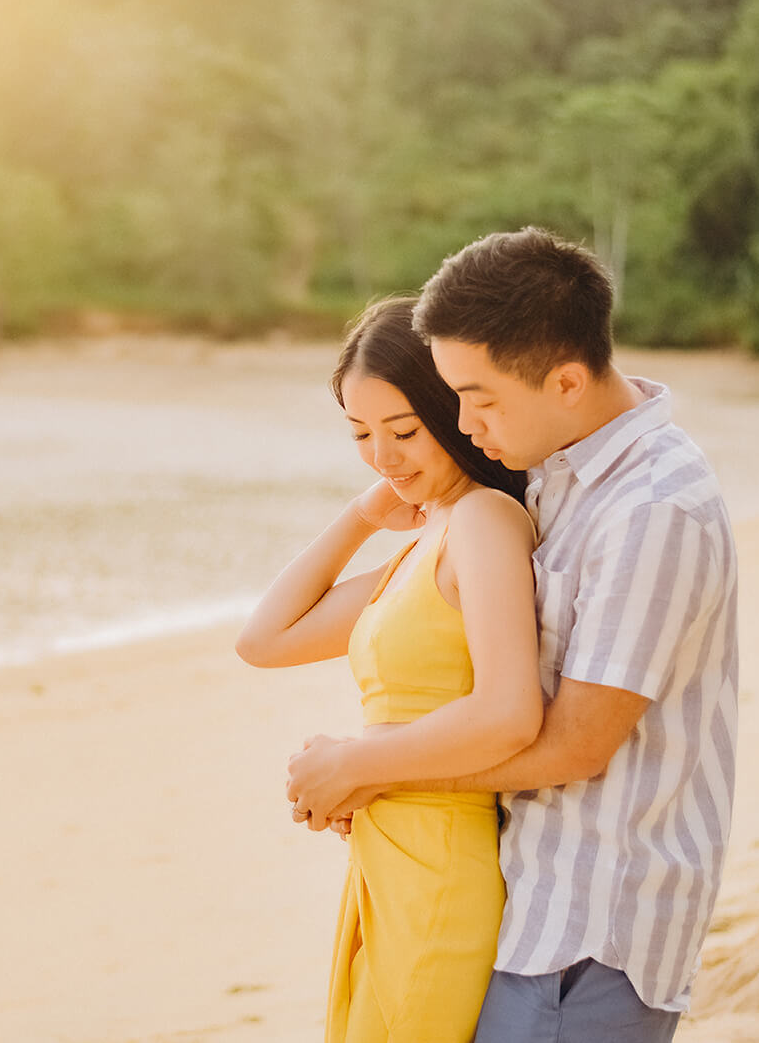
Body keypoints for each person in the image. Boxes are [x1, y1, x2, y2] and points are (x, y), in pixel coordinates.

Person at [286, 228, 740, 1042]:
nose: (461, 423)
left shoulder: (650, 510)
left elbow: (576, 745)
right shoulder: (560, 474)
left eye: (480, 398)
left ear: (566, 381)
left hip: (596, 921)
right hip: (535, 898)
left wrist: (372, 774)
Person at [235, 296, 545, 1042]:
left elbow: (509, 713)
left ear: (456, 411)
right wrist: (362, 517)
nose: (382, 455)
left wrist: (353, 762)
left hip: (439, 863)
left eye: (403, 430)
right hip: (386, 859)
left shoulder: (483, 521)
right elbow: (264, 638)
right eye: (361, 433)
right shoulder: (428, 538)